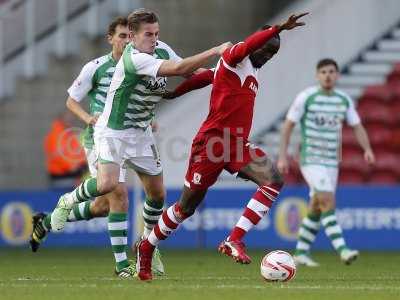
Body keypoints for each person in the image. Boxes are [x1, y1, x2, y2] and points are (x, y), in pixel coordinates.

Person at [44, 8, 231, 277]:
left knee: (157, 194)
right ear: (132, 36)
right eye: (148, 34)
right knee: (108, 186)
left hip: (141, 133)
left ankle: (147, 246)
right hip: (113, 130)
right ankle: (66, 201)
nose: (154, 39)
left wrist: (222, 72)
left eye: (157, 33)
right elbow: (178, 69)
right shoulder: (134, 58)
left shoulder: (161, 49)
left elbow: (191, 72)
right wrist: (216, 51)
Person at [135, 13, 308, 281]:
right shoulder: (233, 56)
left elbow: (207, 77)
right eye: (266, 50)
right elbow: (237, 54)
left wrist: (174, 93)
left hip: (237, 144)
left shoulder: (250, 70)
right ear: (255, 44)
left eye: (273, 53)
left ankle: (234, 239)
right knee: (185, 207)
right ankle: (146, 247)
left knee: (273, 179)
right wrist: (279, 27)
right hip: (212, 144)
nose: (267, 56)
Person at [277, 58, 375, 266]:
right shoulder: (306, 97)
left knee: (316, 205)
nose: (327, 75)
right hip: (311, 159)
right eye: (323, 72)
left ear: (337, 75)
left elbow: (357, 126)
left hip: (332, 160)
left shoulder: (343, 100)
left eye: (331, 71)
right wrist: (283, 156)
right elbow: (288, 126)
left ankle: (301, 252)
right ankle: (343, 249)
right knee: (328, 200)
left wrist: (367, 149)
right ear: (317, 75)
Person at [43, 111, 87, 187]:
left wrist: (83, 164)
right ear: (61, 119)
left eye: (72, 118)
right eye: (68, 118)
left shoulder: (69, 134)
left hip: (72, 176)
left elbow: (78, 153)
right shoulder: (57, 134)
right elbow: (57, 155)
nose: (71, 120)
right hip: (62, 177)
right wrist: (73, 166)